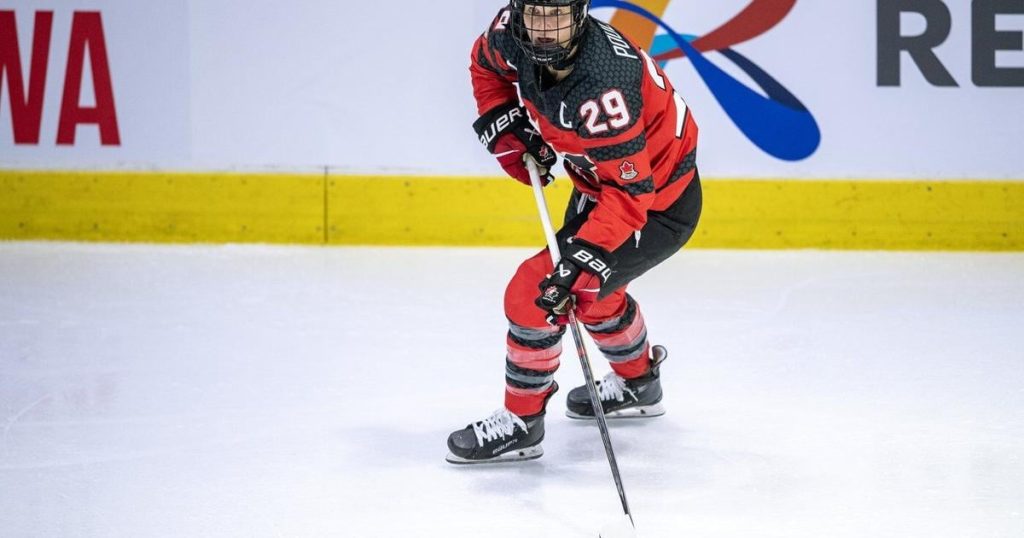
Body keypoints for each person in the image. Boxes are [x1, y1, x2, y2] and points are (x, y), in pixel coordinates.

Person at [446, 0, 701, 464]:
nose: (545, 28)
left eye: (558, 15)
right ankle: (639, 384)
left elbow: (630, 196)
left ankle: (522, 422)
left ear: (580, 13)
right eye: (535, 13)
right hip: (600, 185)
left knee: (535, 291)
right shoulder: (508, 32)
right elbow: (484, 67)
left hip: (654, 205)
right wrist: (508, 131)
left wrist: (579, 260)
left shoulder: (605, 86)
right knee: (596, 294)